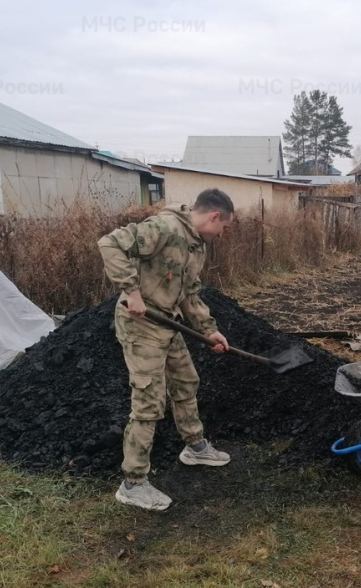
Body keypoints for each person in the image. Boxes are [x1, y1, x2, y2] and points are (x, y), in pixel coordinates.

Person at [97, 188, 235, 511]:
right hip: (140, 324)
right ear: (214, 216)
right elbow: (109, 244)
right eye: (224, 227)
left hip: (167, 323)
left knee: (186, 381)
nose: (222, 233)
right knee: (148, 401)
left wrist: (210, 330)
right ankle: (133, 483)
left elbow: (188, 295)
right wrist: (131, 291)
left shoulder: (195, 245)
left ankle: (195, 447)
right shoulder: (163, 228)